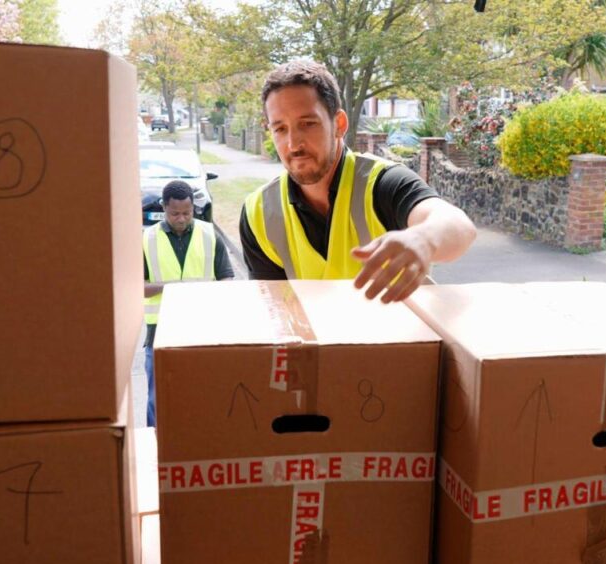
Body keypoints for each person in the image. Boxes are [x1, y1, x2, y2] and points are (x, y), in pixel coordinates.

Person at [240, 60, 476, 303]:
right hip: (314, 339)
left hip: (400, 338)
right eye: (280, 129)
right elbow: (278, 312)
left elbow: (458, 225)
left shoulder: (382, 182)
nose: (293, 144)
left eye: (308, 124)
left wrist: (423, 239)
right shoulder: (259, 212)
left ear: (339, 124)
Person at [144, 180, 233, 426]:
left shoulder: (210, 235)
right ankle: (155, 449)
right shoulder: (147, 239)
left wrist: (209, 293)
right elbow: (135, 288)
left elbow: (227, 277)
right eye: (175, 214)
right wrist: (174, 289)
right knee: (157, 400)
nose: (181, 218)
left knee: (204, 396)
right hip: (159, 333)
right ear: (164, 208)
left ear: (194, 207)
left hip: (203, 331)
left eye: (187, 212)